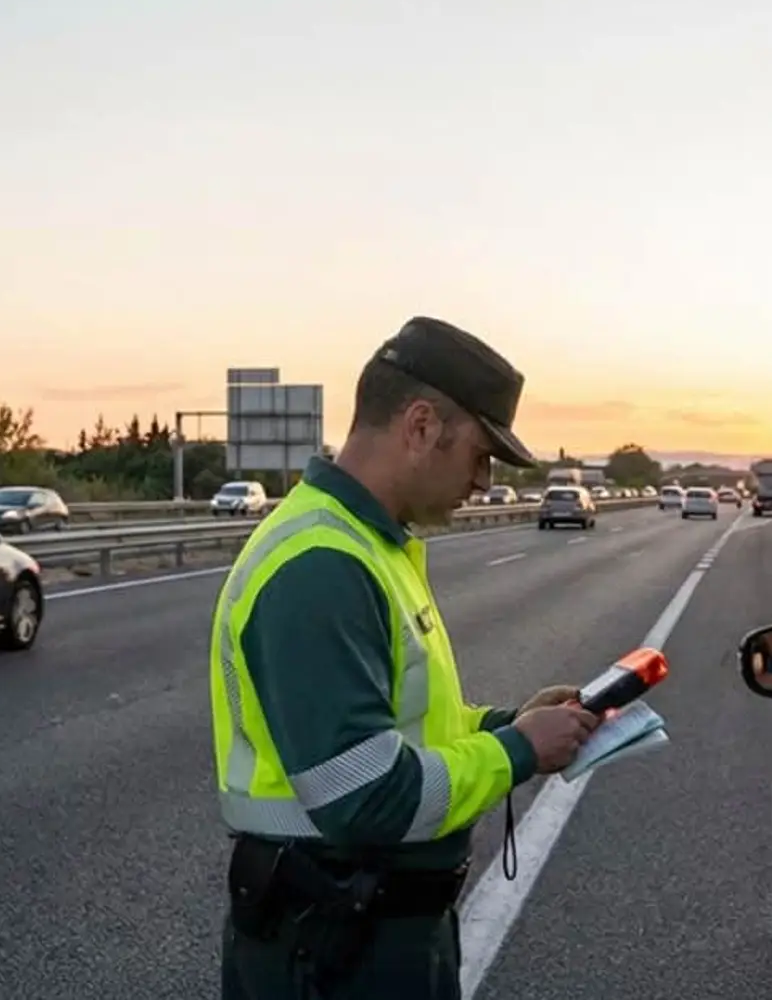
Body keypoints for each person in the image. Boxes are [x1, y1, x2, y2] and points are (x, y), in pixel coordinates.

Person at [211, 316, 601, 999]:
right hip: (332, 950)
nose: (483, 482)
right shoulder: (321, 565)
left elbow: (403, 731)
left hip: (366, 930)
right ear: (420, 426)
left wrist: (508, 724)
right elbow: (363, 797)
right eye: (480, 455)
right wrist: (516, 752)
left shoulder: (373, 547)